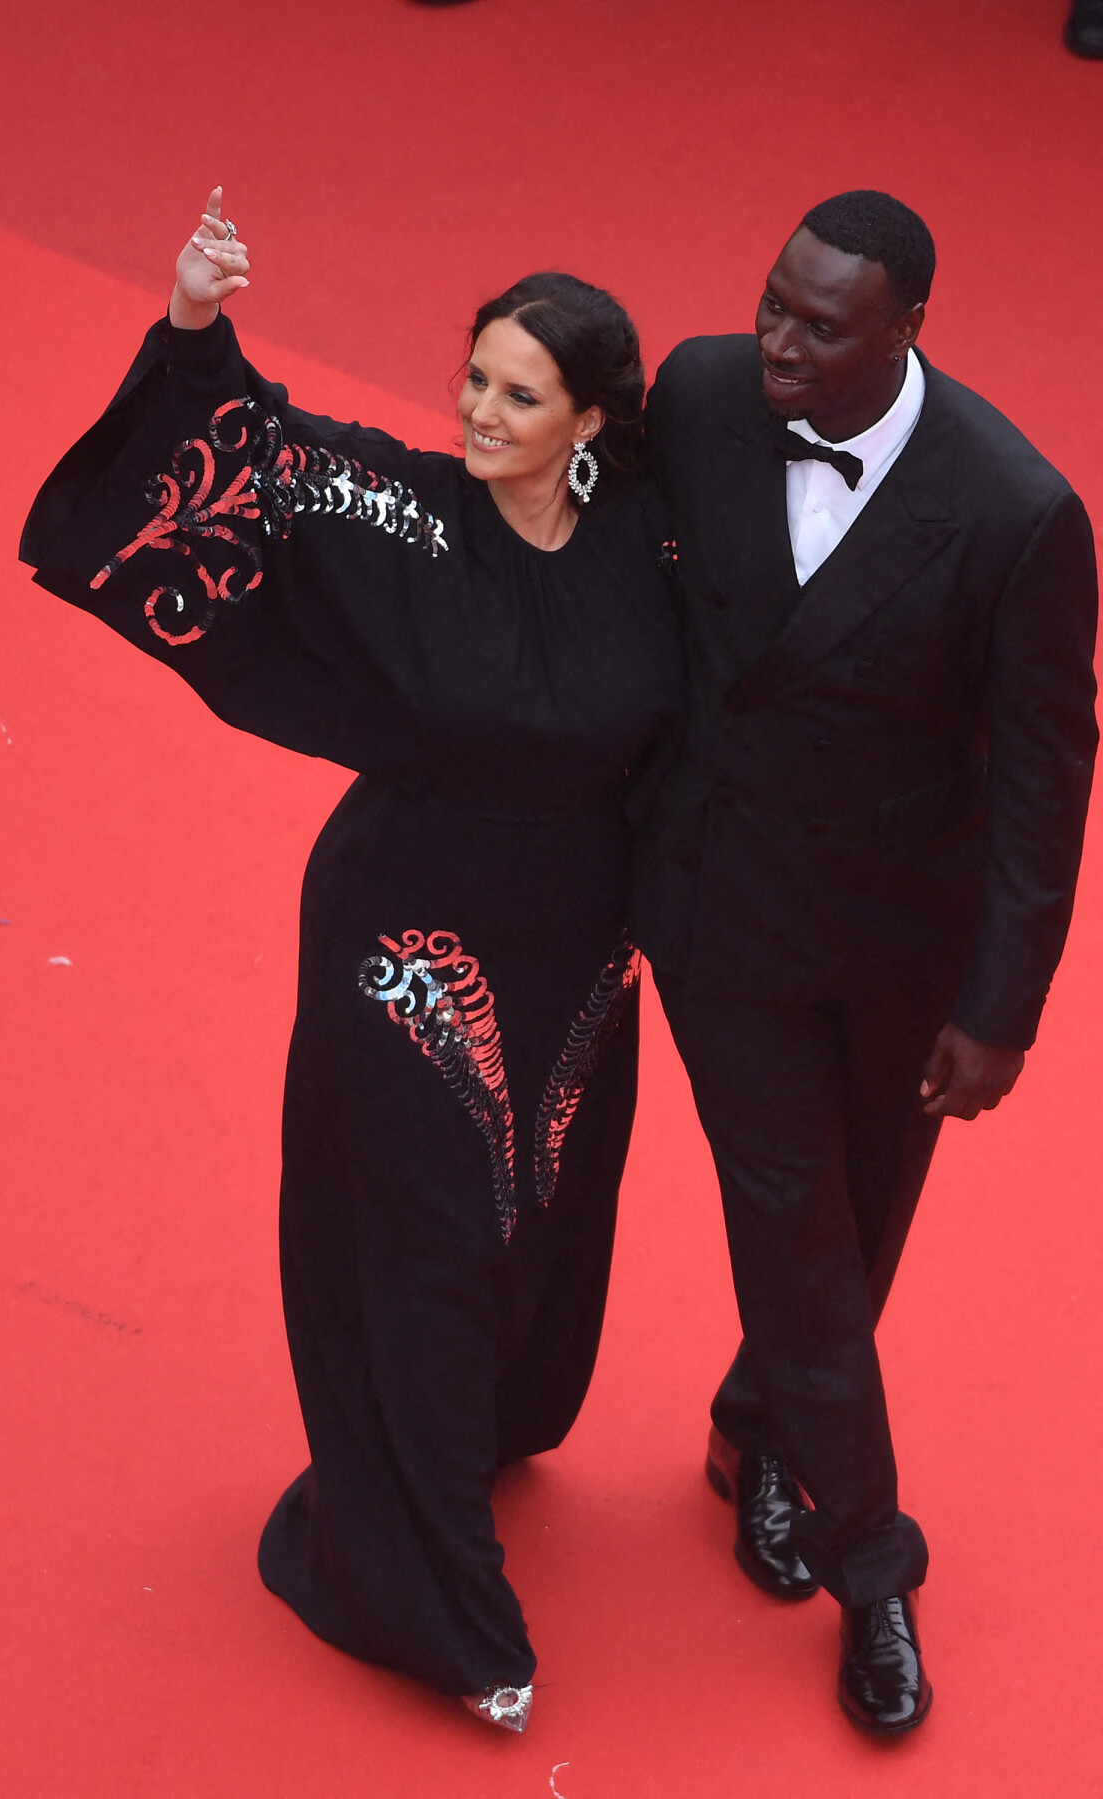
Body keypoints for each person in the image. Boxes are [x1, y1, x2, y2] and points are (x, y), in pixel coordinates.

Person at [20, 190, 681, 1732]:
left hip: (580, 956)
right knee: (424, 1249)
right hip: (406, 950)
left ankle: (482, 1436)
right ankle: (436, 1598)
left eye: (521, 395)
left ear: (590, 417)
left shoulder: (653, 546)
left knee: (537, 1214)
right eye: (473, 379)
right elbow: (248, 448)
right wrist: (192, 322)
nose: (481, 414)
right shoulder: (403, 512)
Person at [635, 189, 1098, 1736]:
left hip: (903, 942)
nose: (773, 337)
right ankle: (873, 1571)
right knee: (802, 1230)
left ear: (908, 330)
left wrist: (999, 1010)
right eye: (770, 299)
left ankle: (759, 1435)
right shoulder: (699, 394)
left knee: (865, 1220)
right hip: (721, 909)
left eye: (816, 324)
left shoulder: (1018, 510)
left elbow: (1046, 776)